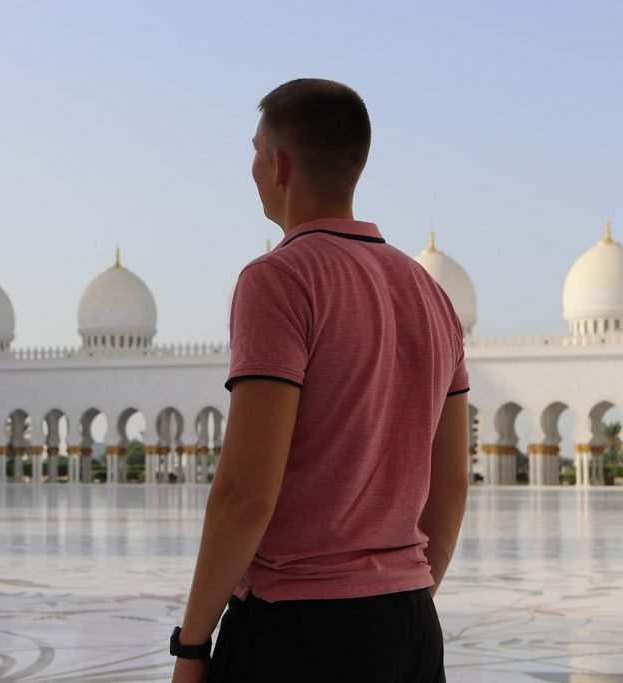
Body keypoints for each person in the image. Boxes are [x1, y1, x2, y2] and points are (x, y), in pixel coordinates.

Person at [169, 79, 469, 683]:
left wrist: (193, 646)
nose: (251, 167)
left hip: (299, 628)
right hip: (409, 627)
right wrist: (401, 600)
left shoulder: (278, 280)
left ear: (279, 164)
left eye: (255, 151)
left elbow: (246, 493)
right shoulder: (432, 295)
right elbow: (453, 483)